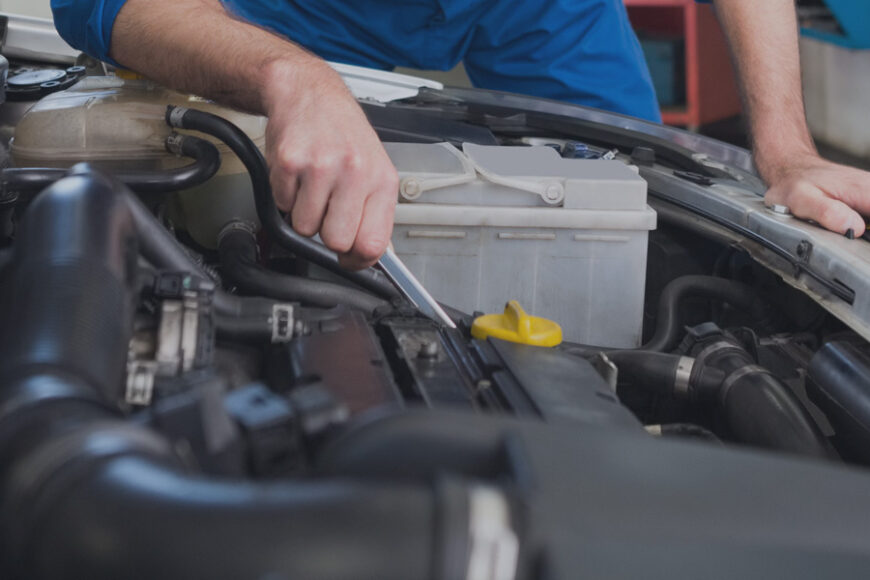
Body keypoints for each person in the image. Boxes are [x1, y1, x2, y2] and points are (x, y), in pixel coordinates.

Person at [52, 0, 870, 269]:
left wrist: (788, 150)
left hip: (521, 10)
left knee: (641, 210)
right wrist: (291, 76)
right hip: (283, 14)